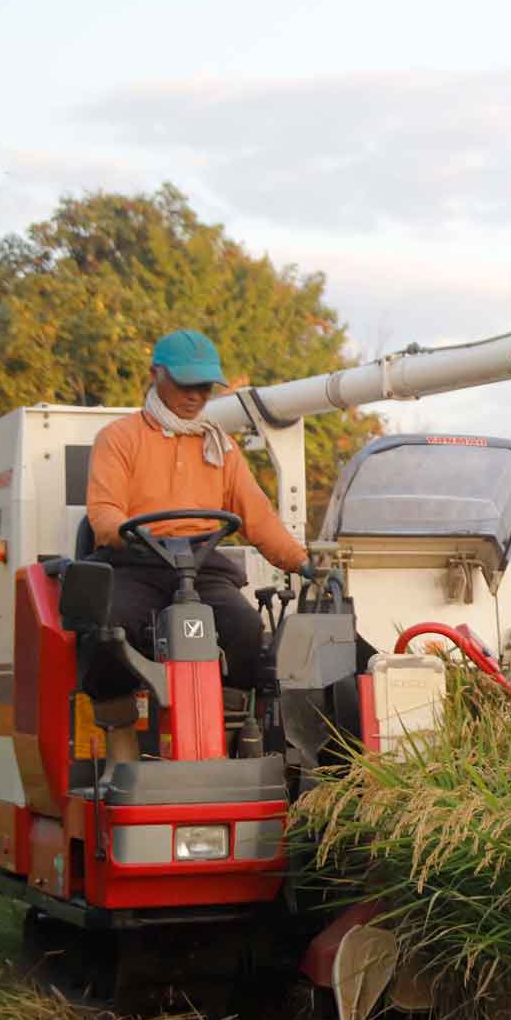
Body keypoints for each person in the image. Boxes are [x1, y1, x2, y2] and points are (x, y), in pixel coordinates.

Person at [84, 328, 314, 770]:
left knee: (245, 629)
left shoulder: (221, 447)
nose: (196, 395)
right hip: (135, 561)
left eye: (204, 386)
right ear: (156, 375)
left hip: (201, 563)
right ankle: (121, 737)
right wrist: (124, 531)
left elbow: (259, 518)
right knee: (108, 626)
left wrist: (304, 563)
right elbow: (104, 511)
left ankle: (226, 739)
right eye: (186, 384)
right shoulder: (119, 437)